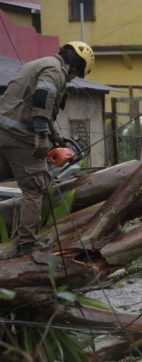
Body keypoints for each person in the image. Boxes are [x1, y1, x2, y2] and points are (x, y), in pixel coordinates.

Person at [0, 41, 95, 256]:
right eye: (77, 74)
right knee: (35, 188)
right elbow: (41, 99)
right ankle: (26, 244)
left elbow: (31, 103)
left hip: (3, 134)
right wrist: (42, 138)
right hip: (21, 138)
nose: (73, 78)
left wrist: (55, 136)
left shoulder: (41, 63)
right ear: (74, 65)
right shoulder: (55, 71)